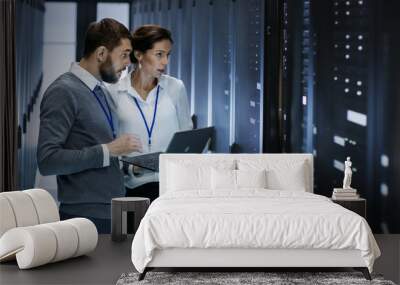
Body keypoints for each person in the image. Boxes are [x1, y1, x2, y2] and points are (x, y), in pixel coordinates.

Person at [37, 18, 142, 233]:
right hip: (86, 216)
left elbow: (97, 147)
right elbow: (47, 161)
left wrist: (124, 161)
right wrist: (108, 150)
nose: (127, 63)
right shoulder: (63, 92)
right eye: (123, 55)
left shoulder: (100, 91)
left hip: (116, 207)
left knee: (130, 267)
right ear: (101, 53)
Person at [109, 25, 192, 202]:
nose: (165, 62)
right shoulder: (114, 91)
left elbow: (187, 135)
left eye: (168, 55)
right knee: (130, 230)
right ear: (139, 55)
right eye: (159, 54)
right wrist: (133, 167)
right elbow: (109, 145)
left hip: (171, 187)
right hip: (130, 188)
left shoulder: (176, 88)